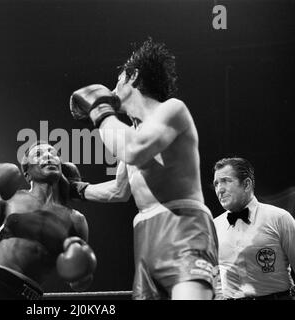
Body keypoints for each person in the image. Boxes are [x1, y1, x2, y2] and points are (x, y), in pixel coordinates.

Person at [68, 37, 218, 300]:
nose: (112, 90)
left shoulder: (172, 110)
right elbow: (119, 190)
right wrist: (77, 190)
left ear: (133, 76)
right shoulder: (133, 131)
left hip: (183, 226)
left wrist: (100, 111)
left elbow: (135, 150)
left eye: (117, 81)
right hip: (145, 234)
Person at [0, 142, 97, 300]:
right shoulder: (10, 199)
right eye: (38, 154)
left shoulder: (76, 220)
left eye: (52, 152)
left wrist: (83, 274)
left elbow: (79, 285)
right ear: (27, 173)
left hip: (32, 297)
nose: (48, 156)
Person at [212, 157, 295, 300]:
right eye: (216, 184)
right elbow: (212, 276)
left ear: (246, 184)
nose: (220, 189)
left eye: (226, 181)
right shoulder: (213, 226)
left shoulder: (279, 218)